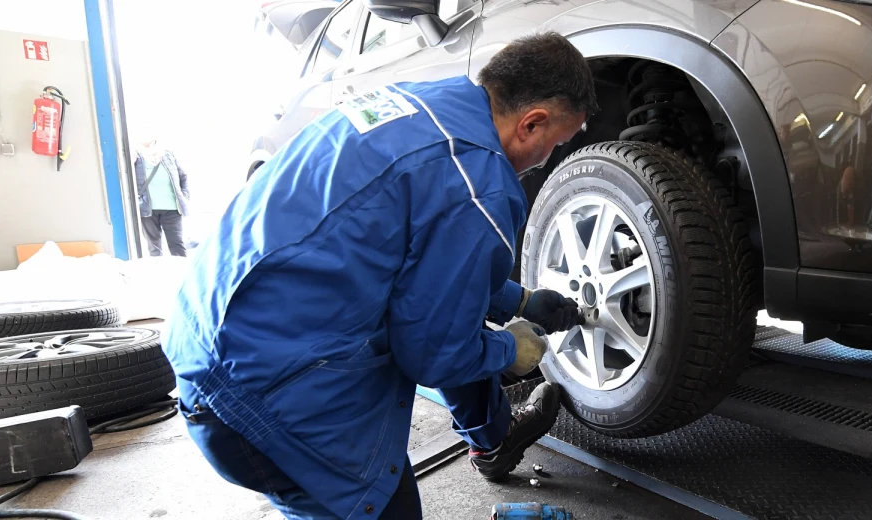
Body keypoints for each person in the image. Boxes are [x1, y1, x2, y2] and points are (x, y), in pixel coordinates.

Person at [161, 32, 597, 520]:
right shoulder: (481, 190)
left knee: (449, 316)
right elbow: (435, 354)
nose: (550, 158)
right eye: (556, 144)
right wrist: (508, 349)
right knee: (385, 507)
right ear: (531, 124)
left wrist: (517, 300)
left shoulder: (423, 101)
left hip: (204, 332)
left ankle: (492, 442)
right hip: (262, 393)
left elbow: (426, 259)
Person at [133, 136, 190, 256]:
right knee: (154, 247)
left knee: (177, 245)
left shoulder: (168, 155)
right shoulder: (135, 157)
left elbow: (183, 177)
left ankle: (183, 272)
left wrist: (184, 196)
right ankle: (157, 272)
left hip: (172, 209)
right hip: (147, 210)